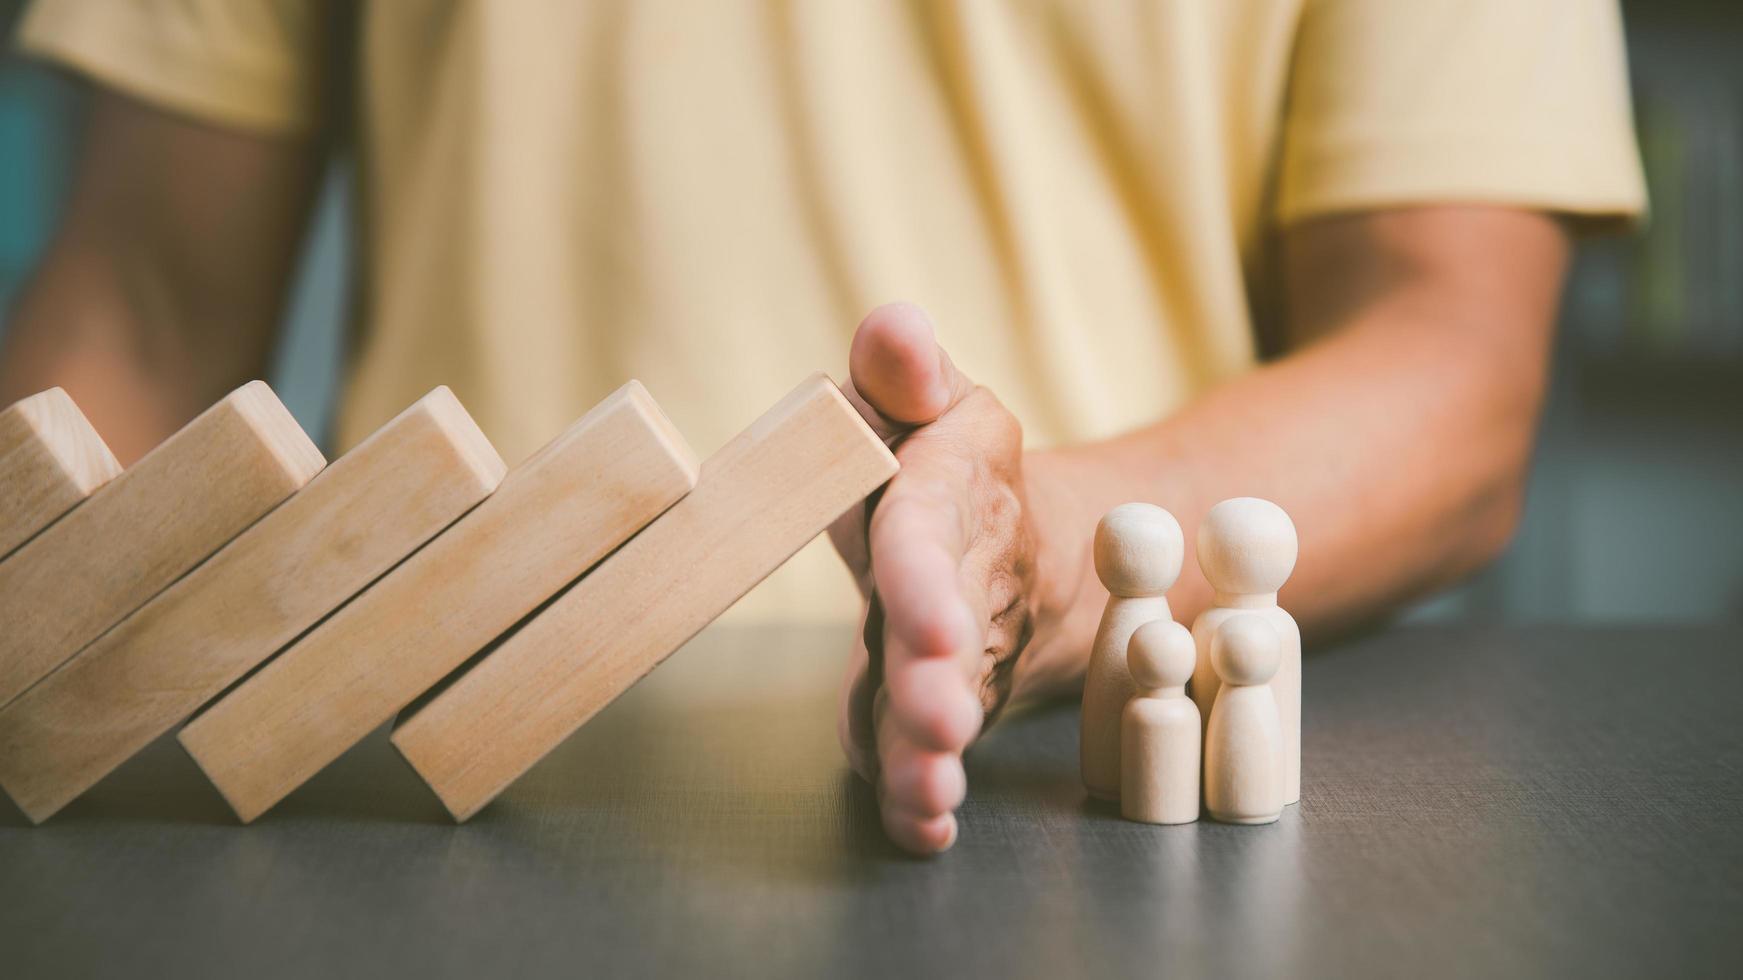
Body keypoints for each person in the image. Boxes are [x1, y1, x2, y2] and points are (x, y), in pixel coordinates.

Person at [0, 0, 1643, 853]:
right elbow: (141, 305)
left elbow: (1451, 351)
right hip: (384, 791)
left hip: (1049, 812)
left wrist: (1050, 556)